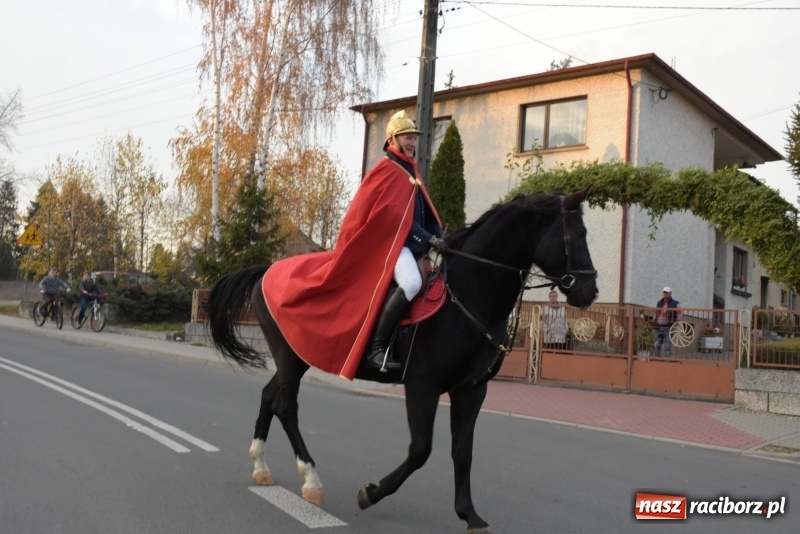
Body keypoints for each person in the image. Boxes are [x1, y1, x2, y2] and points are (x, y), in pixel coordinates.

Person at [262, 110, 444, 378]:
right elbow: (393, 218)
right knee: (412, 283)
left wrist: (439, 234)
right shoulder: (386, 170)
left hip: (411, 245)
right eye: (407, 137)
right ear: (393, 140)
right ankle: (376, 348)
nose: (412, 142)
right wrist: (426, 238)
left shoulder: (411, 171)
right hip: (390, 246)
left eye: (414, 138)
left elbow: (422, 212)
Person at [653, 286, 681, 357]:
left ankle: (667, 361)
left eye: (667, 292)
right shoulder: (659, 303)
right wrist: (654, 322)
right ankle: (656, 360)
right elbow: (656, 313)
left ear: (670, 293)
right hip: (658, 327)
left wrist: (675, 324)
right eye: (664, 292)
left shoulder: (676, 303)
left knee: (668, 346)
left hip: (668, 328)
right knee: (657, 345)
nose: (665, 294)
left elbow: (679, 315)